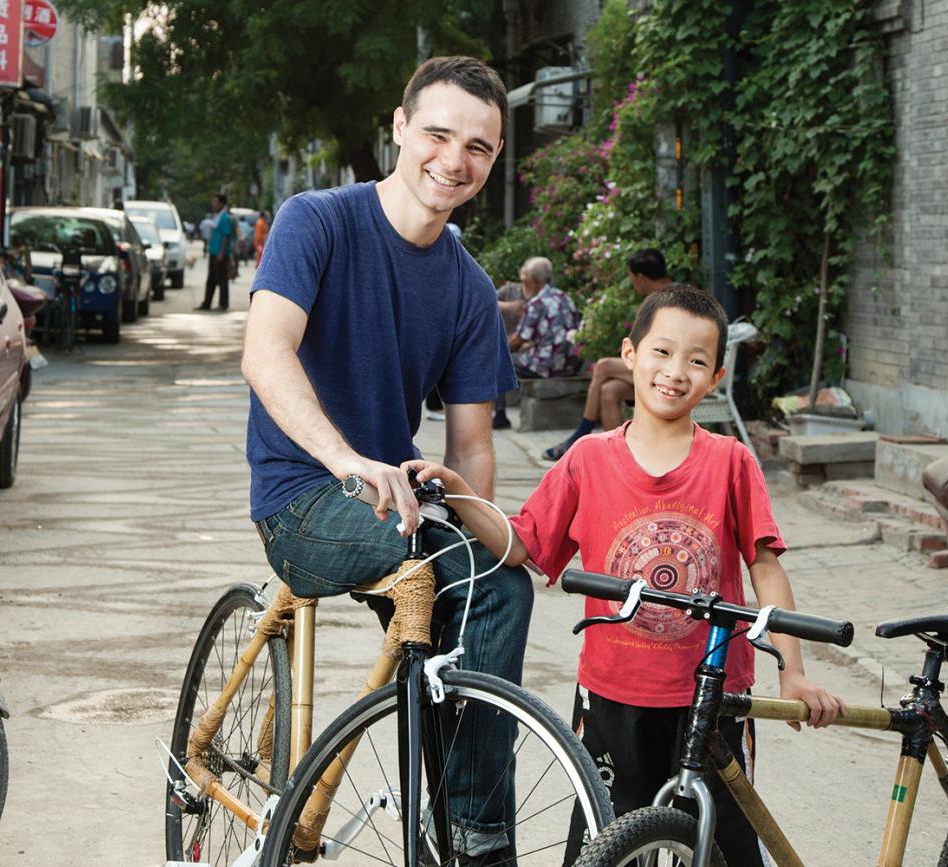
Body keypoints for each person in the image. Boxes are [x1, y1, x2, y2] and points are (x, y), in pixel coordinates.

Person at [406, 285, 845, 865]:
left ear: (714, 378)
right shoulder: (587, 459)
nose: (675, 371)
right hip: (613, 695)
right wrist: (460, 491)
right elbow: (522, 548)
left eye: (696, 361)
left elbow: (765, 567)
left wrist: (794, 671)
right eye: (662, 352)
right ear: (629, 355)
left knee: (723, 846)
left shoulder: (731, 461)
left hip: (714, 698)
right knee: (607, 847)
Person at [240, 56, 529, 863]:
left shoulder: (469, 286)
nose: (454, 159)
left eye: (478, 146)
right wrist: (344, 459)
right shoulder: (317, 219)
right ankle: (473, 835)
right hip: (303, 496)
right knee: (435, 563)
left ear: (494, 158)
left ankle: (463, 824)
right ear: (400, 130)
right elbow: (267, 354)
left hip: (393, 502)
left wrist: (495, 529)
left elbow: (470, 443)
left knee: (493, 582)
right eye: (437, 134)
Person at [542, 248, 677, 460]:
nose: (633, 284)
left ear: (640, 278)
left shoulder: (673, 299)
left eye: (632, 278)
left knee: (604, 366)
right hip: (656, 368)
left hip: (671, 370)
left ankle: (580, 434)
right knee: (609, 391)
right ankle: (618, 458)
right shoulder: (659, 298)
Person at [492, 256, 580, 429]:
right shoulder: (565, 297)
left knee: (496, 361)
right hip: (569, 363)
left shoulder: (537, 303)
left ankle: (500, 416)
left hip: (547, 365)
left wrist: (495, 349)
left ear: (533, 280)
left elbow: (518, 339)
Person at [199, 194, 235, 310]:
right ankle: (207, 303)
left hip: (220, 254)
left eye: (215, 202)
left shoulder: (224, 218)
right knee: (212, 279)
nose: (213, 204)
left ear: (221, 203)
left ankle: (223, 304)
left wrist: (221, 252)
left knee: (222, 280)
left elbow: (226, 236)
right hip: (214, 252)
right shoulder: (217, 216)